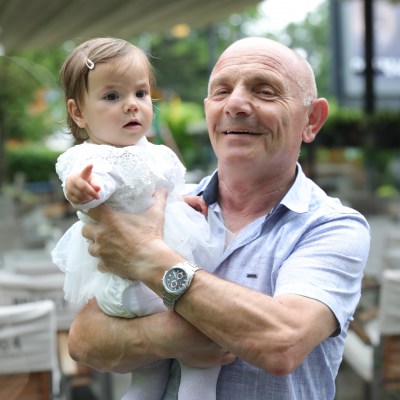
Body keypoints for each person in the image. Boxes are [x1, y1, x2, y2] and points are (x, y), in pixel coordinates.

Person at [69, 37, 371, 400]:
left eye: (265, 91)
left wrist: (145, 255)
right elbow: (83, 340)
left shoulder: (331, 227)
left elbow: (282, 344)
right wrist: (170, 337)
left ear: (312, 120)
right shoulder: (166, 202)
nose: (236, 104)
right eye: (222, 91)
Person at [51, 37, 221, 400]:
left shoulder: (153, 153)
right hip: (134, 285)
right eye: (112, 96)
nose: (132, 104)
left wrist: (182, 201)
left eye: (141, 93)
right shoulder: (95, 158)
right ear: (78, 113)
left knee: (148, 375)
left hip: (145, 282)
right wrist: (83, 188)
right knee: (205, 339)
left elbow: (158, 192)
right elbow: (94, 181)